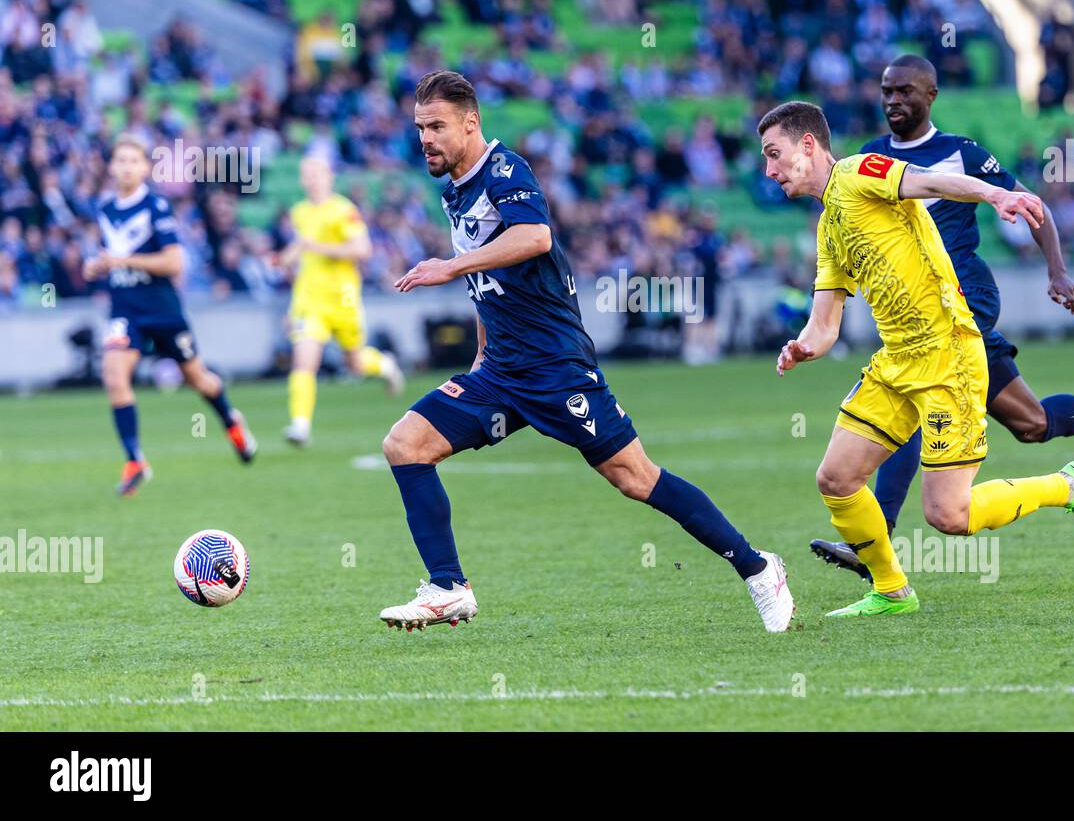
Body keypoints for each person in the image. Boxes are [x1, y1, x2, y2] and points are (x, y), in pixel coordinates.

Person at [376, 70, 794, 633]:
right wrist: (480, 354)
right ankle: (448, 587)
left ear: (471, 123)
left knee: (635, 479)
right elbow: (490, 282)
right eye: (420, 126)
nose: (425, 138)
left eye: (437, 126)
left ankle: (758, 567)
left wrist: (448, 267)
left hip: (555, 367)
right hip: (501, 370)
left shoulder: (504, 169)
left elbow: (535, 237)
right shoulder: (455, 188)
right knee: (405, 444)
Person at [810, 55, 1074, 580]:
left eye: (905, 92)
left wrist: (1056, 270)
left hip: (965, 294)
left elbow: (1029, 203)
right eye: (886, 91)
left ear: (931, 95)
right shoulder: (868, 159)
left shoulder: (961, 153)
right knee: (1032, 424)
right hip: (924, 312)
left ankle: (878, 539)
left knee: (921, 396)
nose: (894, 100)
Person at [758, 100, 1074, 618]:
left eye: (775, 154)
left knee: (948, 514)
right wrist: (802, 347)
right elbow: (824, 324)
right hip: (898, 361)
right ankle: (891, 591)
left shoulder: (861, 172)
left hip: (948, 354)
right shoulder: (828, 226)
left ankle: (1067, 485)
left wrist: (997, 193)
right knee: (836, 478)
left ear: (808, 145)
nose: (769, 170)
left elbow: (930, 182)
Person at [85, 134, 256, 496]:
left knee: (198, 379)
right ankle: (135, 460)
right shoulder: (104, 209)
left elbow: (173, 262)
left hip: (162, 310)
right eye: (120, 160)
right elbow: (110, 257)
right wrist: (97, 267)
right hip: (124, 309)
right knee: (114, 375)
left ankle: (230, 420)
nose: (126, 167)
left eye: (134, 160)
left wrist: (122, 260)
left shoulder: (155, 207)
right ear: (111, 167)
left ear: (146, 167)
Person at [281, 156, 404, 447]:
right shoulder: (299, 212)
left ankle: (385, 365)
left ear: (329, 176)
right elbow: (300, 250)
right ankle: (300, 424)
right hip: (309, 301)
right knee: (304, 360)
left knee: (356, 363)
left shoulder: (343, 210)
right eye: (306, 173)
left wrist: (316, 247)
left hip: (344, 298)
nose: (310, 178)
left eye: (315, 172)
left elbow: (363, 250)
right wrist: (286, 258)